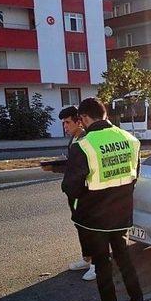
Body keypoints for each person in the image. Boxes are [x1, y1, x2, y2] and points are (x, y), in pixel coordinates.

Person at [62, 98, 151, 301]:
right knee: (126, 262)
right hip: (121, 215)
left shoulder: (83, 145)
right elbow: (133, 176)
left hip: (95, 219)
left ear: (83, 118)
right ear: (104, 114)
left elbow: (70, 188)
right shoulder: (131, 140)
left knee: (103, 267)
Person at [59, 106, 96, 281]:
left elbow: (86, 167)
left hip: (85, 193)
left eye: (67, 122)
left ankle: (97, 264)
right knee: (80, 227)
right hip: (74, 193)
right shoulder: (74, 138)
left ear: (78, 122)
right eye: (63, 123)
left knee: (90, 229)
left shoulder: (86, 139)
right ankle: (87, 259)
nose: (65, 126)